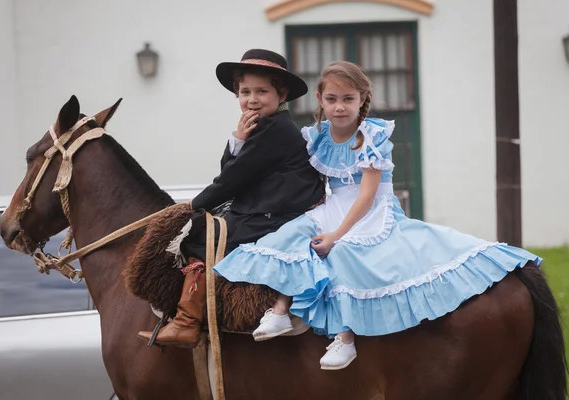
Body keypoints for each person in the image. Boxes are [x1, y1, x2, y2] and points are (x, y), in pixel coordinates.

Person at [213, 61, 541, 370]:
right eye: (332, 99)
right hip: (333, 205)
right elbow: (299, 176)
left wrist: (336, 234)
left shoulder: (371, 136)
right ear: (320, 100)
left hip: (369, 209)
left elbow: (367, 195)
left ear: (362, 100)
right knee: (288, 237)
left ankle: (345, 337)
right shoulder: (317, 137)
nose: (339, 106)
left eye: (347, 99)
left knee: (345, 254)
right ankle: (282, 310)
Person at [137, 49, 326, 347]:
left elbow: (233, 180)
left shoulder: (276, 130)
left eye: (262, 91)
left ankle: (186, 323)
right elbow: (234, 173)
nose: (252, 99)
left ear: (282, 94)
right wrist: (238, 139)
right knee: (202, 227)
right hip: (259, 210)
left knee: (197, 239)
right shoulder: (263, 127)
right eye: (245, 91)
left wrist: (193, 205)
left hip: (276, 217)